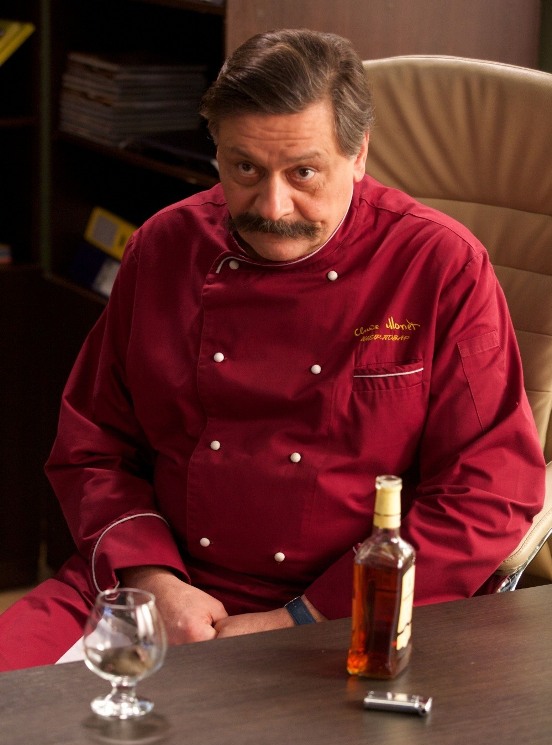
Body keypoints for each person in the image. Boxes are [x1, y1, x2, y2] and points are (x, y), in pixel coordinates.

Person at [0, 29, 545, 671]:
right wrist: (152, 577)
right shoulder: (163, 247)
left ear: (359, 154)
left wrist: (302, 619)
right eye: (245, 170)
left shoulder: (440, 265)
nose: (273, 205)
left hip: (350, 606)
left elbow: (489, 493)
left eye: (303, 172)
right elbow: (92, 445)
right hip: (156, 581)